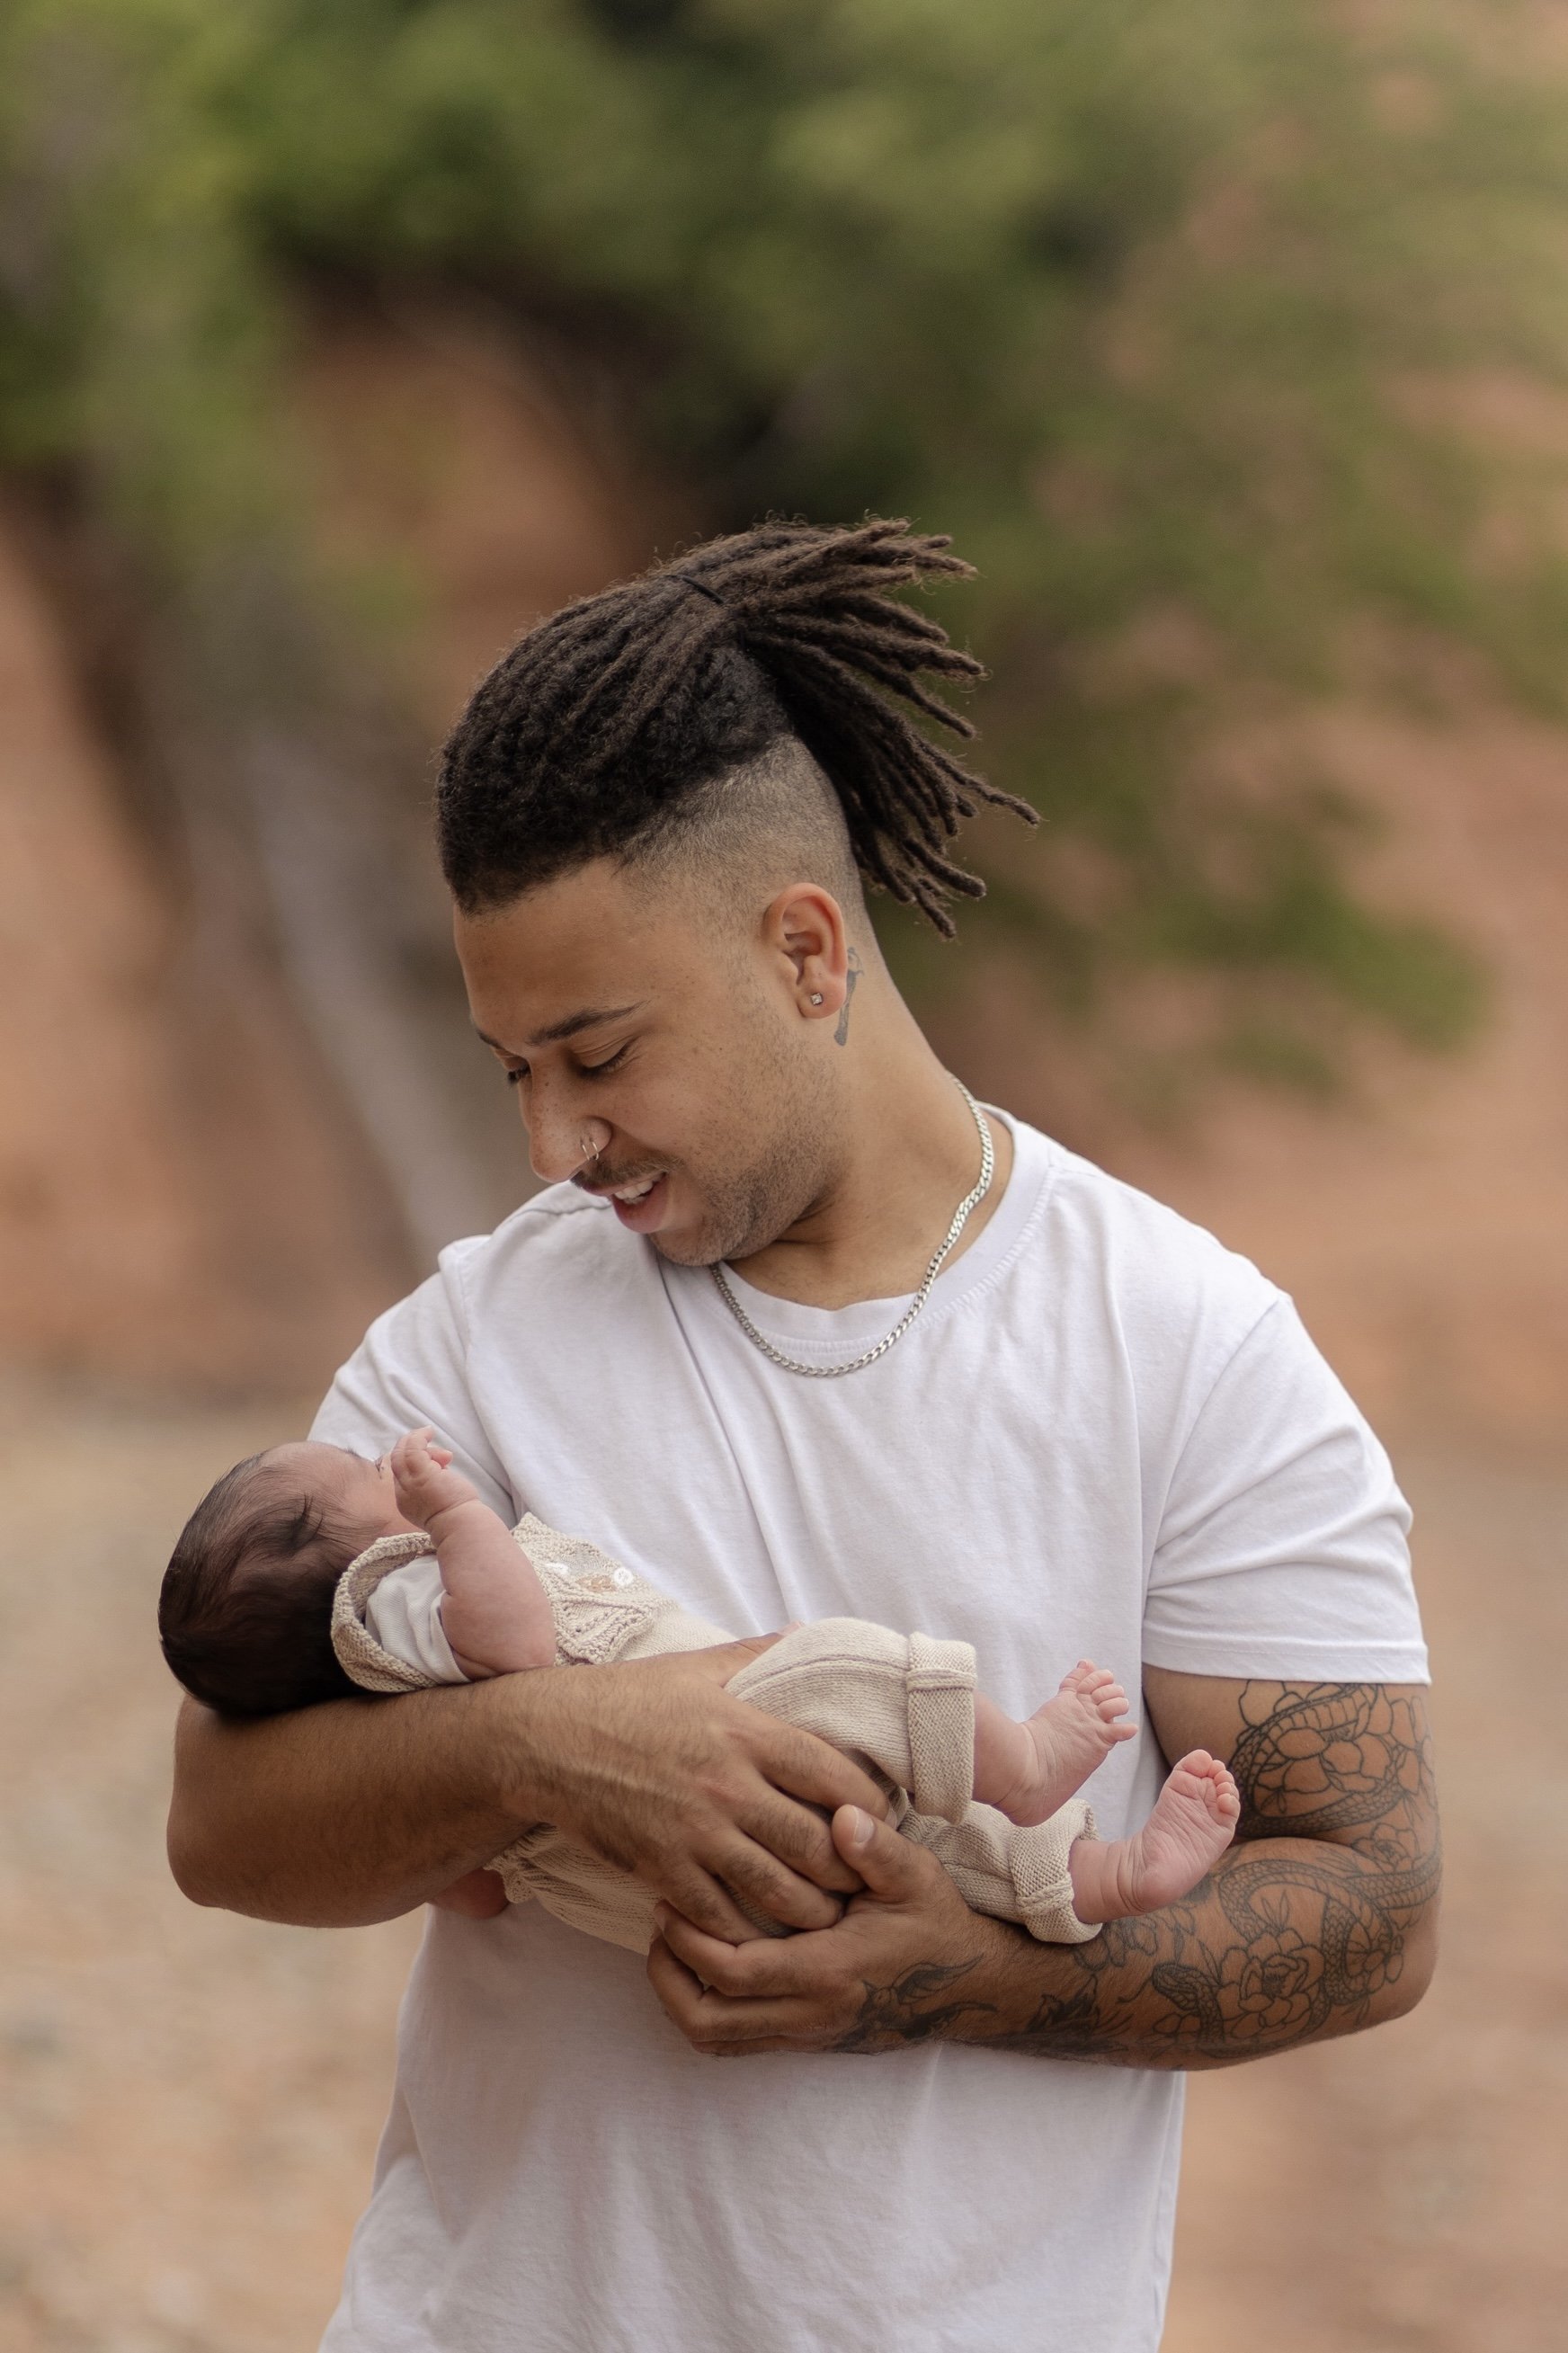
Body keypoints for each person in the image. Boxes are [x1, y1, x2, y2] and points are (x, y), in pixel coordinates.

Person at [166, 519, 1439, 2353]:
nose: (550, 1144)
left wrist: (957, 1975)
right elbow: (225, 1821)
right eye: (509, 1069)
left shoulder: (1188, 1350)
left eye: (596, 1056)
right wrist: (563, 1741)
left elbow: (1372, 1905)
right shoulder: (472, 1342)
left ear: (803, 951)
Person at [156, 1423, 1241, 1949]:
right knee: (851, 1662)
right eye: (361, 1476)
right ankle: (1028, 1766)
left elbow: (471, 1889)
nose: (382, 1468)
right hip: (740, 1730)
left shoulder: (356, 1701)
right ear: (347, 1559)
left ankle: (1104, 1878)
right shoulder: (395, 1599)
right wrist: (452, 1514)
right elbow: (516, 1641)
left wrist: (473, 1839)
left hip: (647, 1899)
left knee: (922, 1859)